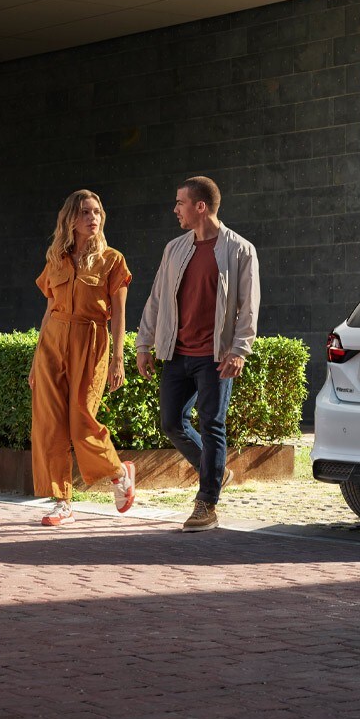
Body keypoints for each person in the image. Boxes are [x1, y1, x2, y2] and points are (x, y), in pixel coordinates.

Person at [136, 176, 260, 533]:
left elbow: (248, 307)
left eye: (180, 203)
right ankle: (216, 471)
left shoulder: (239, 250)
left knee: (212, 424)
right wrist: (145, 344)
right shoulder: (174, 248)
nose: (175, 209)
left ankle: (206, 503)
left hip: (215, 356)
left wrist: (239, 350)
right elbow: (156, 299)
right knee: (172, 422)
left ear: (200, 206)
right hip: (177, 352)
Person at [29, 189, 137, 526]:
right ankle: (61, 501)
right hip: (52, 343)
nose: (94, 218)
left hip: (91, 343)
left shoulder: (113, 260)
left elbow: (118, 316)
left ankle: (118, 472)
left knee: (81, 421)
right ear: (71, 220)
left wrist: (118, 359)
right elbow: (49, 310)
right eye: (86, 213)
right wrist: (36, 358)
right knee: (49, 425)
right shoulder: (56, 258)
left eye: (97, 212)